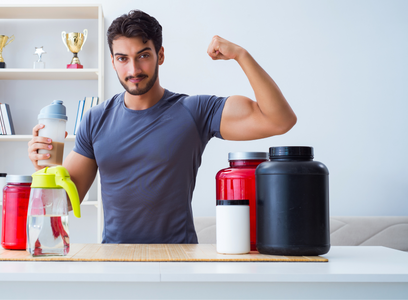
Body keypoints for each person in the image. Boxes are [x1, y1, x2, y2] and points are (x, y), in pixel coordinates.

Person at [28, 10, 297, 244]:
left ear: (161, 55)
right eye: (122, 58)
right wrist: (44, 169)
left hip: (179, 257)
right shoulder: (96, 119)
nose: (133, 69)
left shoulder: (195, 111)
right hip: (115, 259)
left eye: (143, 55)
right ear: (112, 62)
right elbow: (63, 201)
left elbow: (279, 120)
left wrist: (241, 55)